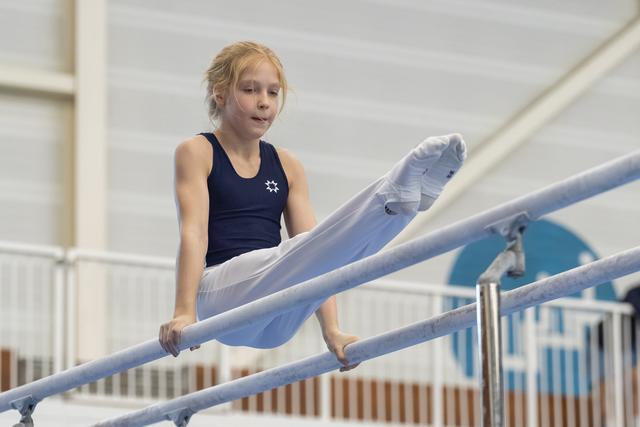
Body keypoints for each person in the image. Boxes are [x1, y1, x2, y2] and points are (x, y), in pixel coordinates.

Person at [158, 41, 467, 372]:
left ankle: (401, 208)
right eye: (250, 89)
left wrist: (332, 331)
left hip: (277, 320)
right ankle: (390, 196)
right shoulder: (198, 151)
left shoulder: (287, 165)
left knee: (333, 254)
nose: (263, 102)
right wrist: (184, 312)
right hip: (220, 297)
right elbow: (193, 233)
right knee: (304, 249)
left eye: (273, 93)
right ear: (220, 95)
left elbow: (319, 252)